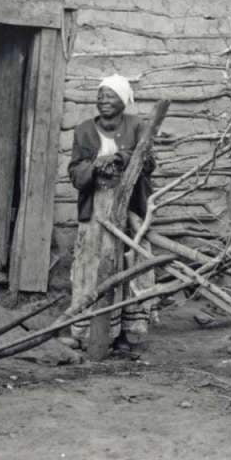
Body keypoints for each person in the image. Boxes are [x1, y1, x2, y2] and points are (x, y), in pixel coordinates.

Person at [64, 74, 156, 353]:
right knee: (92, 263)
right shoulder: (83, 131)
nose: (103, 100)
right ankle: (86, 331)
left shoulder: (138, 127)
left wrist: (120, 158)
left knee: (132, 261)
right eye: (100, 95)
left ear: (124, 100)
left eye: (111, 95)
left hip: (128, 205)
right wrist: (94, 167)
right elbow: (75, 172)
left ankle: (130, 331)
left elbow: (149, 163)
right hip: (96, 208)